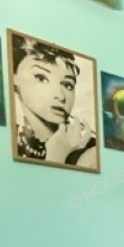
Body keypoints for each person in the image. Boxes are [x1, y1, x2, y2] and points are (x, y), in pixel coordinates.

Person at [11, 34, 97, 168]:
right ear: (14, 77)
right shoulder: (6, 138)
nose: (60, 95)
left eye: (68, 85)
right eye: (41, 78)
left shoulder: (91, 152)